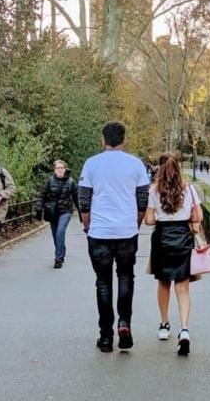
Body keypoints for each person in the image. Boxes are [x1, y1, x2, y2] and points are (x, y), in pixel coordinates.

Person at [78, 121, 149, 353]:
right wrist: (135, 223)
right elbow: (142, 200)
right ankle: (124, 322)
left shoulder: (91, 164)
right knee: (126, 277)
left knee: (103, 282)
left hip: (99, 232)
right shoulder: (136, 164)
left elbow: (84, 199)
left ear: (103, 140)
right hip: (126, 232)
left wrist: (87, 225)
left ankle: (106, 335)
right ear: (124, 140)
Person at [145, 153, 203, 356]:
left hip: (162, 238)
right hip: (183, 238)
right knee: (182, 286)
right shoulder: (189, 189)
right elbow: (198, 216)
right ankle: (184, 329)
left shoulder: (154, 190)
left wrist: (161, 216)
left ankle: (164, 324)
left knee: (163, 283)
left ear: (159, 170)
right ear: (179, 169)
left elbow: (149, 220)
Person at [35, 159, 80, 268]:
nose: (59, 170)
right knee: (56, 235)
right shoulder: (49, 181)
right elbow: (42, 196)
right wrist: (39, 209)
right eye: (57, 168)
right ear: (54, 170)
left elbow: (76, 198)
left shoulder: (71, 182)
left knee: (60, 232)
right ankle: (62, 251)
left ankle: (58, 259)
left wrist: (82, 214)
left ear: (65, 169)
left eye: (61, 168)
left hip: (66, 211)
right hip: (52, 212)